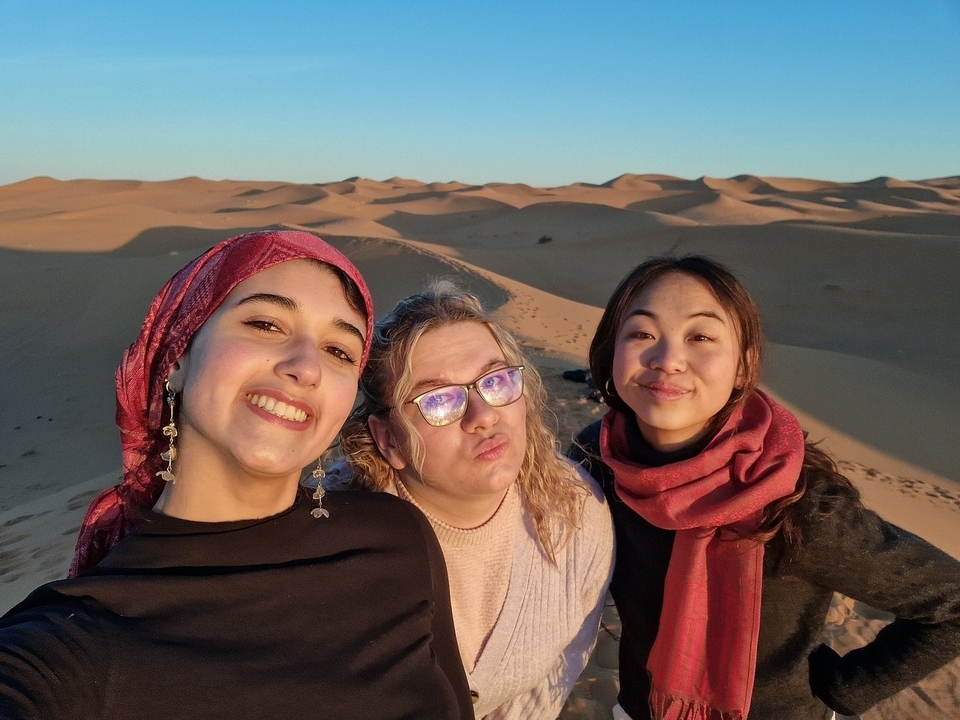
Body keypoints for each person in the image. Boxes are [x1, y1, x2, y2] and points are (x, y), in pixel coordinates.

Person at [0, 230, 473, 720]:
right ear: (178, 356)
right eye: (266, 323)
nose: (306, 366)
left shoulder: (395, 536)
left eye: (340, 352)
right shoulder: (71, 644)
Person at [568, 254, 960, 720]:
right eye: (641, 334)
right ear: (611, 351)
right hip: (640, 710)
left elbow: (951, 604)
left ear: (742, 365)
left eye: (701, 337)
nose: (667, 359)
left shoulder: (799, 504)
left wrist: (846, 690)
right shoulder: (597, 459)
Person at [336, 280, 614, 720]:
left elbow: (561, 666)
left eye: (496, 379)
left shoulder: (573, 509)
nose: (483, 416)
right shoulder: (333, 542)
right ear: (388, 440)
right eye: (440, 400)